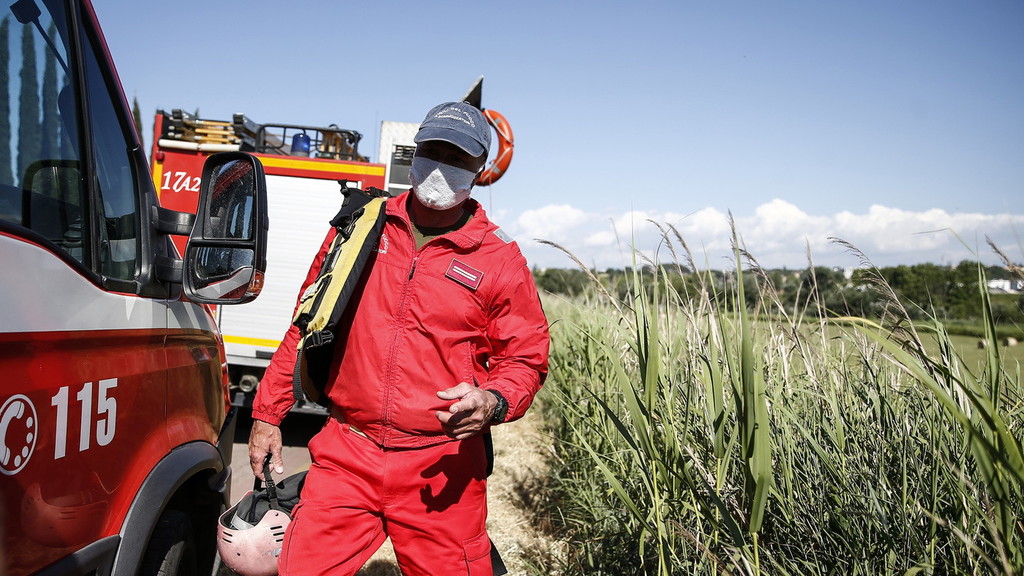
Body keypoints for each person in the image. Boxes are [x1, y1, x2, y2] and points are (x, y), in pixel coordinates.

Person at [248, 101, 550, 576]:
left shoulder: (499, 259)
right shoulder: (361, 227)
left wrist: (493, 401)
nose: (441, 166)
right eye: (433, 151)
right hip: (348, 451)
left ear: (480, 169)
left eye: (458, 157)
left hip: (442, 465)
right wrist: (267, 414)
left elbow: (525, 359)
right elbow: (306, 324)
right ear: (415, 152)